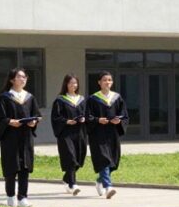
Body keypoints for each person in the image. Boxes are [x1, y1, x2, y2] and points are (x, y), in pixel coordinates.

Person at [0, 67, 41, 207]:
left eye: (25, 77)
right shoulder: (4, 98)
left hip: (26, 137)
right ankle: (10, 195)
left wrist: (34, 122)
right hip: (10, 138)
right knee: (11, 167)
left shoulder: (29, 97)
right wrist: (9, 122)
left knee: (25, 167)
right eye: (20, 76)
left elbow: (36, 115)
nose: (23, 79)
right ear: (12, 80)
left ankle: (22, 197)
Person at [85, 71, 128, 199]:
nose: (107, 82)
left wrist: (118, 121)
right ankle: (108, 187)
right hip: (98, 134)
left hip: (112, 133)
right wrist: (98, 120)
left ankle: (100, 180)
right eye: (104, 80)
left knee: (113, 162)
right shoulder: (93, 99)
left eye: (109, 80)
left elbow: (124, 115)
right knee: (104, 159)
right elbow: (87, 117)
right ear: (99, 82)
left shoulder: (117, 98)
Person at [51, 74, 87, 196]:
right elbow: (55, 118)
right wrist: (66, 121)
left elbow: (87, 114)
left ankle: (66, 178)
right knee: (71, 158)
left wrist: (84, 119)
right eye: (71, 83)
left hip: (79, 133)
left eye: (75, 83)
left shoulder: (82, 100)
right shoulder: (60, 100)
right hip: (66, 133)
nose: (73, 85)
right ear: (66, 84)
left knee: (79, 159)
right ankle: (73, 184)